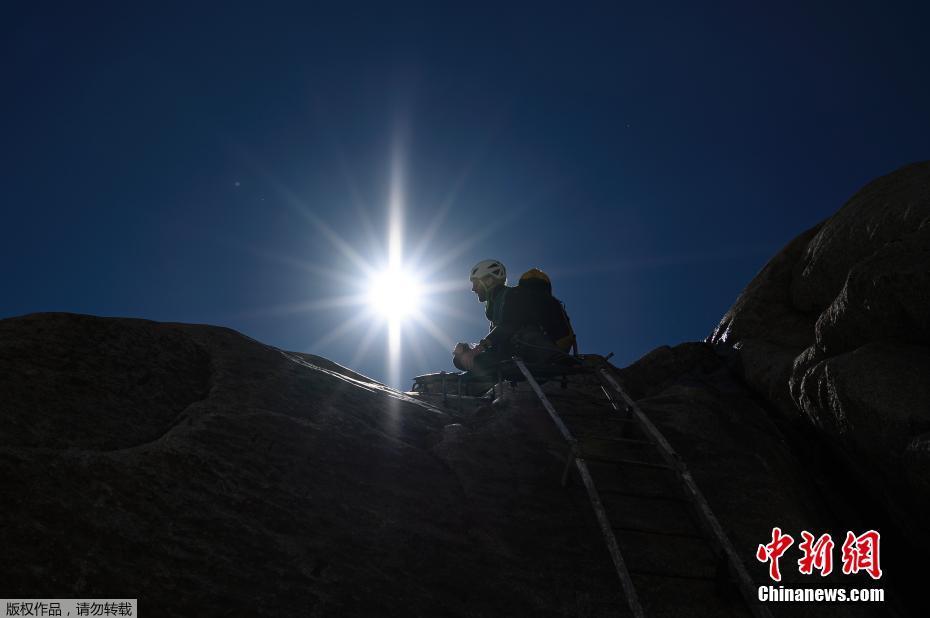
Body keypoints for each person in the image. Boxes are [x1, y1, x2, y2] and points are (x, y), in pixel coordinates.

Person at [453, 260, 574, 373]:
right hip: (517, 351)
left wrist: (477, 349)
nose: (473, 289)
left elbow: (510, 325)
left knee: (477, 358)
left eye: (476, 283)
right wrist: (466, 350)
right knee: (460, 360)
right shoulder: (498, 305)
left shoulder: (513, 295)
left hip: (538, 348)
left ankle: (555, 360)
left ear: (489, 280)